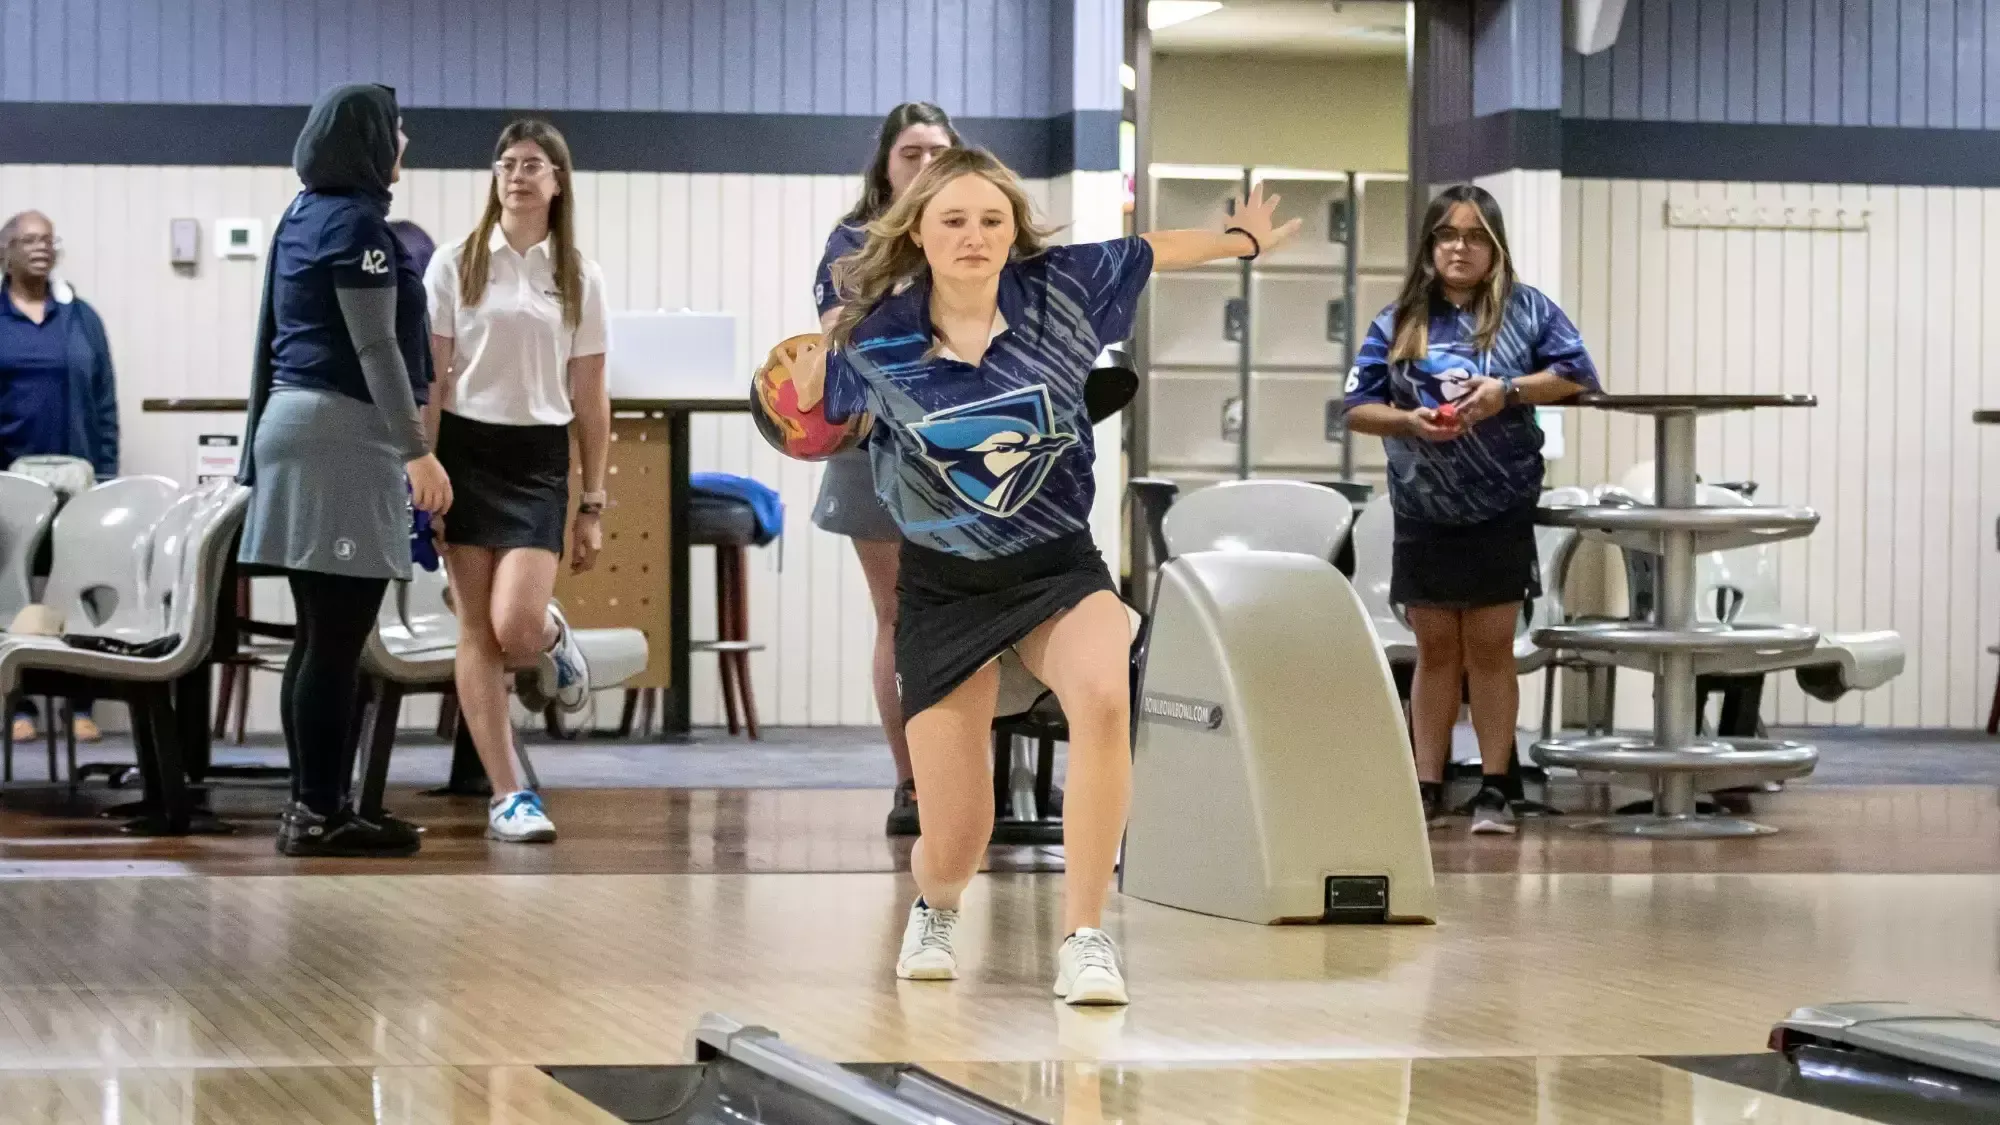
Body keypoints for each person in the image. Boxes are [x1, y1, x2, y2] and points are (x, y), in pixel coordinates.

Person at [774, 147, 1299, 1005]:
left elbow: (1153, 248)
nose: (975, 235)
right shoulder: (875, 336)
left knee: (1102, 694)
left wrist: (1238, 241)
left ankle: (1086, 935)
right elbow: (811, 415)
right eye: (953, 220)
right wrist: (807, 393)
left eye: (991, 219)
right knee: (957, 836)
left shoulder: (1063, 288)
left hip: (1058, 567)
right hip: (944, 585)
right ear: (918, 232)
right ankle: (936, 906)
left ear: (1014, 229)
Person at [1342, 184, 1598, 836]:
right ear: (1430, 246)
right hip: (1424, 507)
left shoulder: (1528, 311)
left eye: (1476, 236)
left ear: (1495, 246)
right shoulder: (1399, 319)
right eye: (1448, 235)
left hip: (1500, 504)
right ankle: (1426, 785)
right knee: (1434, 647)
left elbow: (1577, 375)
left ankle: (1493, 787)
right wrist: (1409, 421)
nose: (1461, 247)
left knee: (1489, 647)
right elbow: (1357, 408)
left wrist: (1508, 391)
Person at [237, 83, 451, 857]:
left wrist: (249, 447)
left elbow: (265, 336)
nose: (403, 144)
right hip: (341, 431)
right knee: (337, 638)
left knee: (317, 633)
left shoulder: (301, 213)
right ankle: (320, 813)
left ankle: (313, 807)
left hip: (292, 421)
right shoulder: (357, 223)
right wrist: (417, 450)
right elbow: (376, 348)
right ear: (367, 140)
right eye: (396, 130)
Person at [425, 120, 607, 844]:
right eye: (506, 164)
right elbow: (433, 381)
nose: (517, 175)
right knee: (477, 628)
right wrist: (425, 467)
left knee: (517, 627)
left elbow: (591, 395)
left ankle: (555, 634)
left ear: (558, 182)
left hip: (537, 458)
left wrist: (592, 499)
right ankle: (511, 794)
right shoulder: (455, 263)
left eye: (533, 165)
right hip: (465, 452)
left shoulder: (579, 275)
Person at [814, 102, 959, 837]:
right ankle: (911, 782)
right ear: (886, 164)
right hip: (874, 447)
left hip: (963, 448)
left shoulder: (978, 229)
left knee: (962, 614)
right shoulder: (855, 240)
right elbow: (839, 333)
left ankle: (962, 774)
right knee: (898, 614)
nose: (927, 164)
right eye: (912, 153)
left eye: (940, 151)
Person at [1, 210, 119, 745]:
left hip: (77, 478)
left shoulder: (82, 318)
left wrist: (109, 474)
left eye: (48, 240)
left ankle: (78, 705)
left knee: (76, 585)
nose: (41, 248)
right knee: (11, 586)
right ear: (6, 251)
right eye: (28, 240)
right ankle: (17, 704)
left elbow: (105, 403)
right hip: (9, 480)